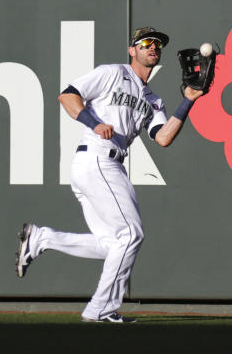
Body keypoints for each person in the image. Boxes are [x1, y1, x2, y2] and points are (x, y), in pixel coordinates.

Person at [15, 27, 205, 324]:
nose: (153, 47)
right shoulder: (112, 73)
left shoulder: (153, 100)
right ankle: (100, 309)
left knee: (112, 244)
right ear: (133, 50)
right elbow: (67, 96)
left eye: (158, 44)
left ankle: (42, 239)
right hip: (97, 158)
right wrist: (94, 122)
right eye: (146, 43)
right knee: (131, 234)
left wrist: (189, 100)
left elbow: (163, 137)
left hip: (106, 165)